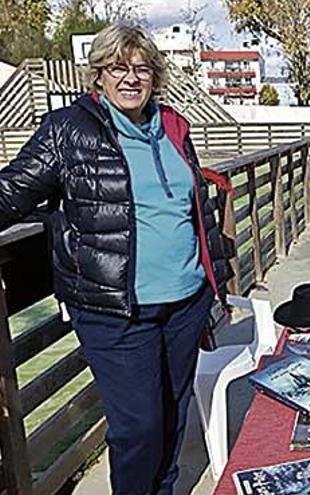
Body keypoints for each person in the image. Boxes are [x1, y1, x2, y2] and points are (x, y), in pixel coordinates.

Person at [0, 24, 230, 494]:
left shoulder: (172, 126)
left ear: (155, 75)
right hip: (116, 310)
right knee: (137, 429)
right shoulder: (67, 129)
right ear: (98, 75)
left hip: (185, 302)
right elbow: (11, 191)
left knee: (173, 414)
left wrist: (214, 282)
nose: (131, 78)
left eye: (141, 67)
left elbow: (194, 206)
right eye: (117, 68)